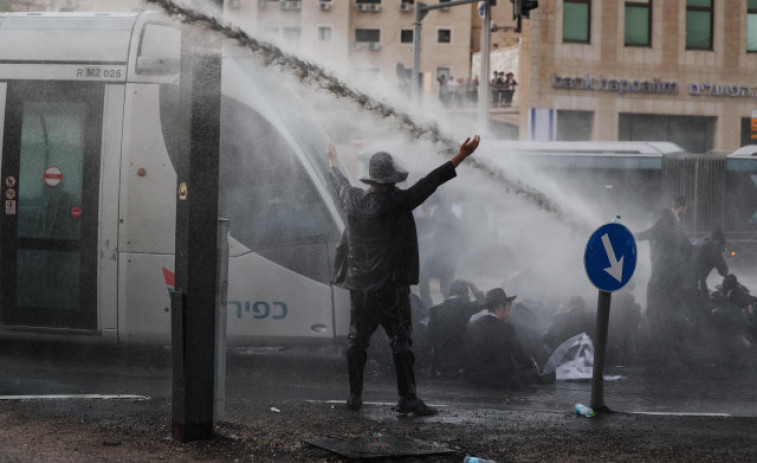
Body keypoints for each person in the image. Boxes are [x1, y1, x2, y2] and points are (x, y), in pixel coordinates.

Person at [327, 134, 481, 415]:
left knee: (357, 340)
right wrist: (460, 156)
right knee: (400, 339)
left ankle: (354, 397)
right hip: (390, 286)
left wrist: (332, 162)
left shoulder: (352, 199)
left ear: (371, 178)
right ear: (392, 180)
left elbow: (339, 184)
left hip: (359, 286)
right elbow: (430, 183)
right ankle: (407, 398)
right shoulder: (398, 201)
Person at [462, 288, 555, 389]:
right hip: (499, 380)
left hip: (474, 377)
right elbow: (519, 353)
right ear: (501, 307)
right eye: (508, 309)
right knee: (543, 373)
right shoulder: (506, 329)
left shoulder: (473, 325)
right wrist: (533, 366)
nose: (508, 314)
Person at [636, 196, 691, 342]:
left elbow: (642, 235)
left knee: (657, 307)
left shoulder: (665, 226)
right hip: (669, 275)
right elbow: (654, 231)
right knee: (666, 306)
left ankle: (657, 339)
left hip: (663, 275)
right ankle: (665, 339)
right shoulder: (674, 225)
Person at [427, 279, 485, 378]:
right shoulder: (464, 307)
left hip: (438, 363)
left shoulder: (436, 310)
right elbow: (483, 301)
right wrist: (471, 284)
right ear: (465, 293)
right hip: (457, 363)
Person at [681, 230, 728, 323]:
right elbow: (724, 271)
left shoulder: (699, 243)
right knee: (704, 316)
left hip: (681, 281)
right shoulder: (713, 247)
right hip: (693, 285)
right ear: (718, 241)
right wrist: (723, 257)